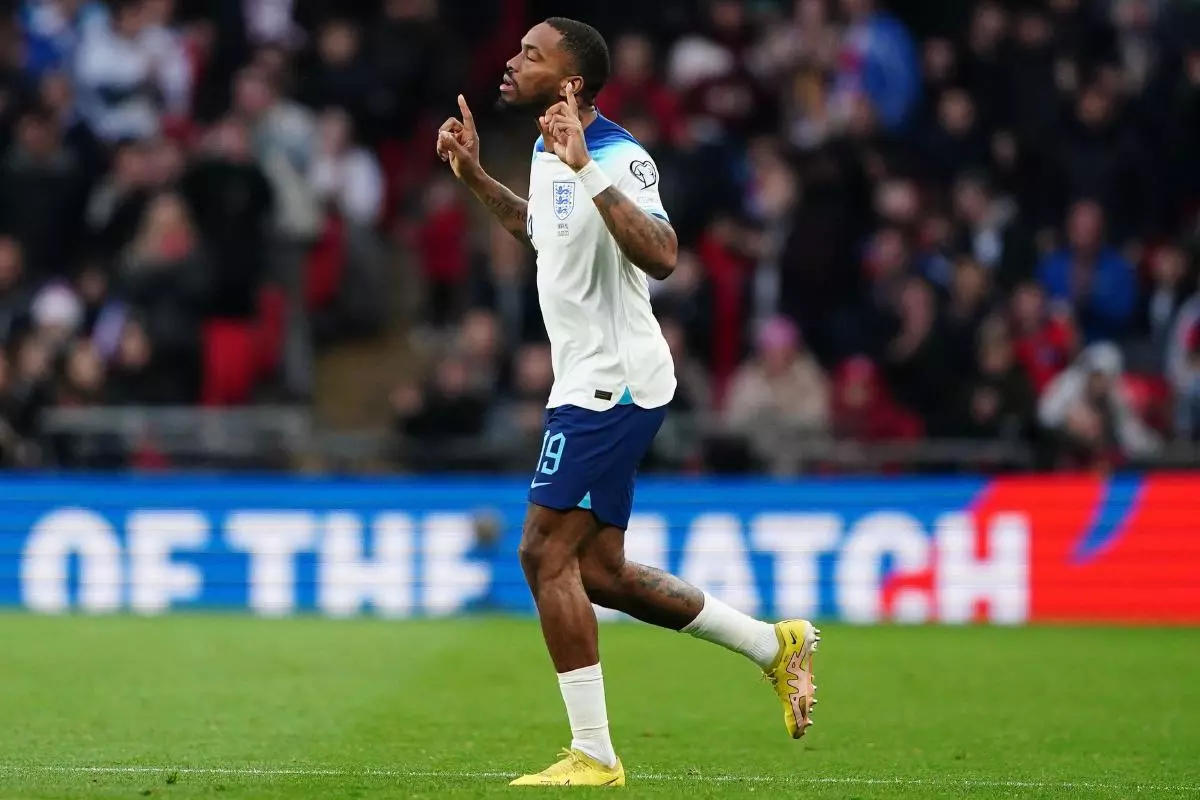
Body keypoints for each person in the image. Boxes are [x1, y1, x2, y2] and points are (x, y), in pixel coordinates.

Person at [436, 17, 819, 788]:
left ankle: (595, 755)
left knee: (542, 553)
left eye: (531, 55)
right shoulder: (547, 146)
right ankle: (773, 646)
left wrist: (589, 169)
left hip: (614, 382)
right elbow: (541, 232)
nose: (511, 62)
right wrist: (475, 176)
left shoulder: (618, 155)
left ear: (571, 82)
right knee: (601, 573)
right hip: (588, 379)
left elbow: (665, 255)